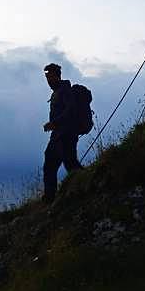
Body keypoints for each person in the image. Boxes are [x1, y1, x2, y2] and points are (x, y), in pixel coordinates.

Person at [42, 63, 82, 203]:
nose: (48, 80)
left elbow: (71, 110)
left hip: (67, 135)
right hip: (57, 136)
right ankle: (49, 199)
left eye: (50, 77)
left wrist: (54, 123)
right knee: (50, 166)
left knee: (70, 164)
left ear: (57, 76)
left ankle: (86, 187)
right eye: (47, 78)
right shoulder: (57, 92)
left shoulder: (64, 90)